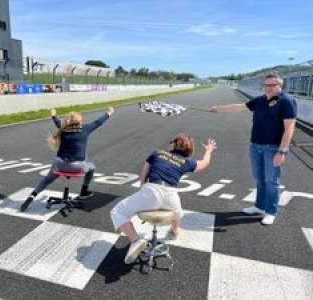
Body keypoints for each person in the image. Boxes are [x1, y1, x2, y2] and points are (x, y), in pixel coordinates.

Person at [110, 133, 217, 264]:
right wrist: (209, 150)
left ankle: (135, 240)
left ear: (173, 145)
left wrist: (141, 197)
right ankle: (175, 230)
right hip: (171, 195)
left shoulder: (156, 153)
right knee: (177, 213)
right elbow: (205, 162)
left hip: (151, 190)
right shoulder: (187, 162)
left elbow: (143, 176)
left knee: (118, 211)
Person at [208, 74, 297, 225]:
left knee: (271, 181)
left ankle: (270, 211)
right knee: (259, 179)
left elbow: (289, 128)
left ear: (280, 85)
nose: (268, 88)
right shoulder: (260, 100)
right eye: (266, 85)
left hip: (273, 148)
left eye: (272, 85)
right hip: (255, 146)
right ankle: (259, 206)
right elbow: (239, 107)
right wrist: (218, 109)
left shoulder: (286, 101)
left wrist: (282, 151)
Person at [20, 106, 115, 212]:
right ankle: (84, 191)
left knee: (46, 180)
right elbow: (99, 122)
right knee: (92, 167)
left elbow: (56, 121)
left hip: (59, 164)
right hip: (76, 167)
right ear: (80, 122)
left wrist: (53, 114)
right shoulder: (85, 129)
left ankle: (32, 196)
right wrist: (109, 112)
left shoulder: (63, 128)